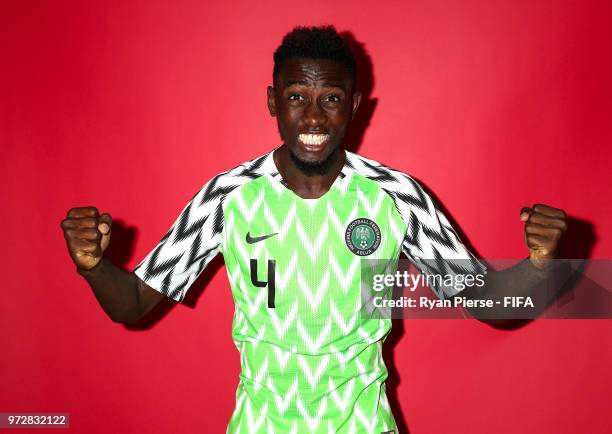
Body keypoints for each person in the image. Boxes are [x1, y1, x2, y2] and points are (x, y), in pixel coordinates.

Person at [60, 26, 568, 434]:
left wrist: (540, 264)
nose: (312, 116)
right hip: (259, 424)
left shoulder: (396, 197)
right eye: (296, 95)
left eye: (330, 98)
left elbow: (491, 303)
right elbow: (131, 304)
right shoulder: (228, 196)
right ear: (272, 101)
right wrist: (94, 267)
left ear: (354, 103)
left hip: (363, 425)